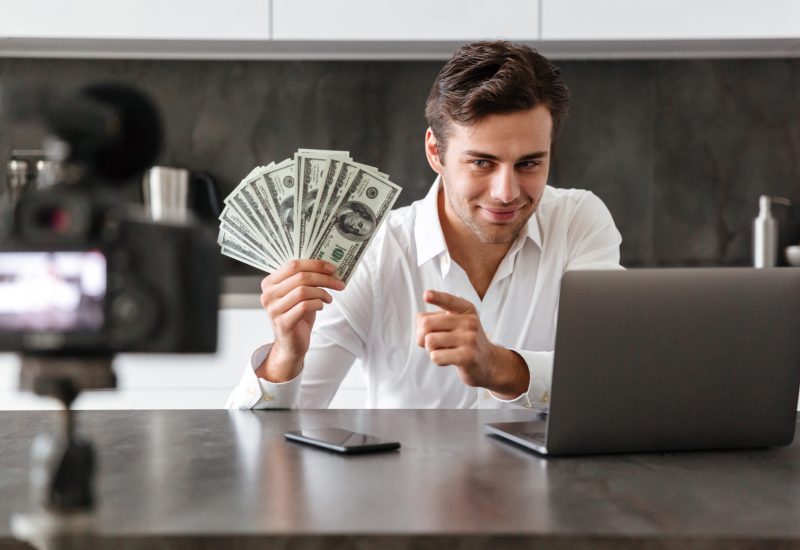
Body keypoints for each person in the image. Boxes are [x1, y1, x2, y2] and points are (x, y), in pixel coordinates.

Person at [227, 41, 622, 410]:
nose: (506, 192)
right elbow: (259, 440)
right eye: (482, 162)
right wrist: (286, 353)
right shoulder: (372, 252)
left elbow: (612, 375)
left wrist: (500, 367)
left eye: (529, 163)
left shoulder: (578, 222)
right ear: (436, 151)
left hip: (549, 484)